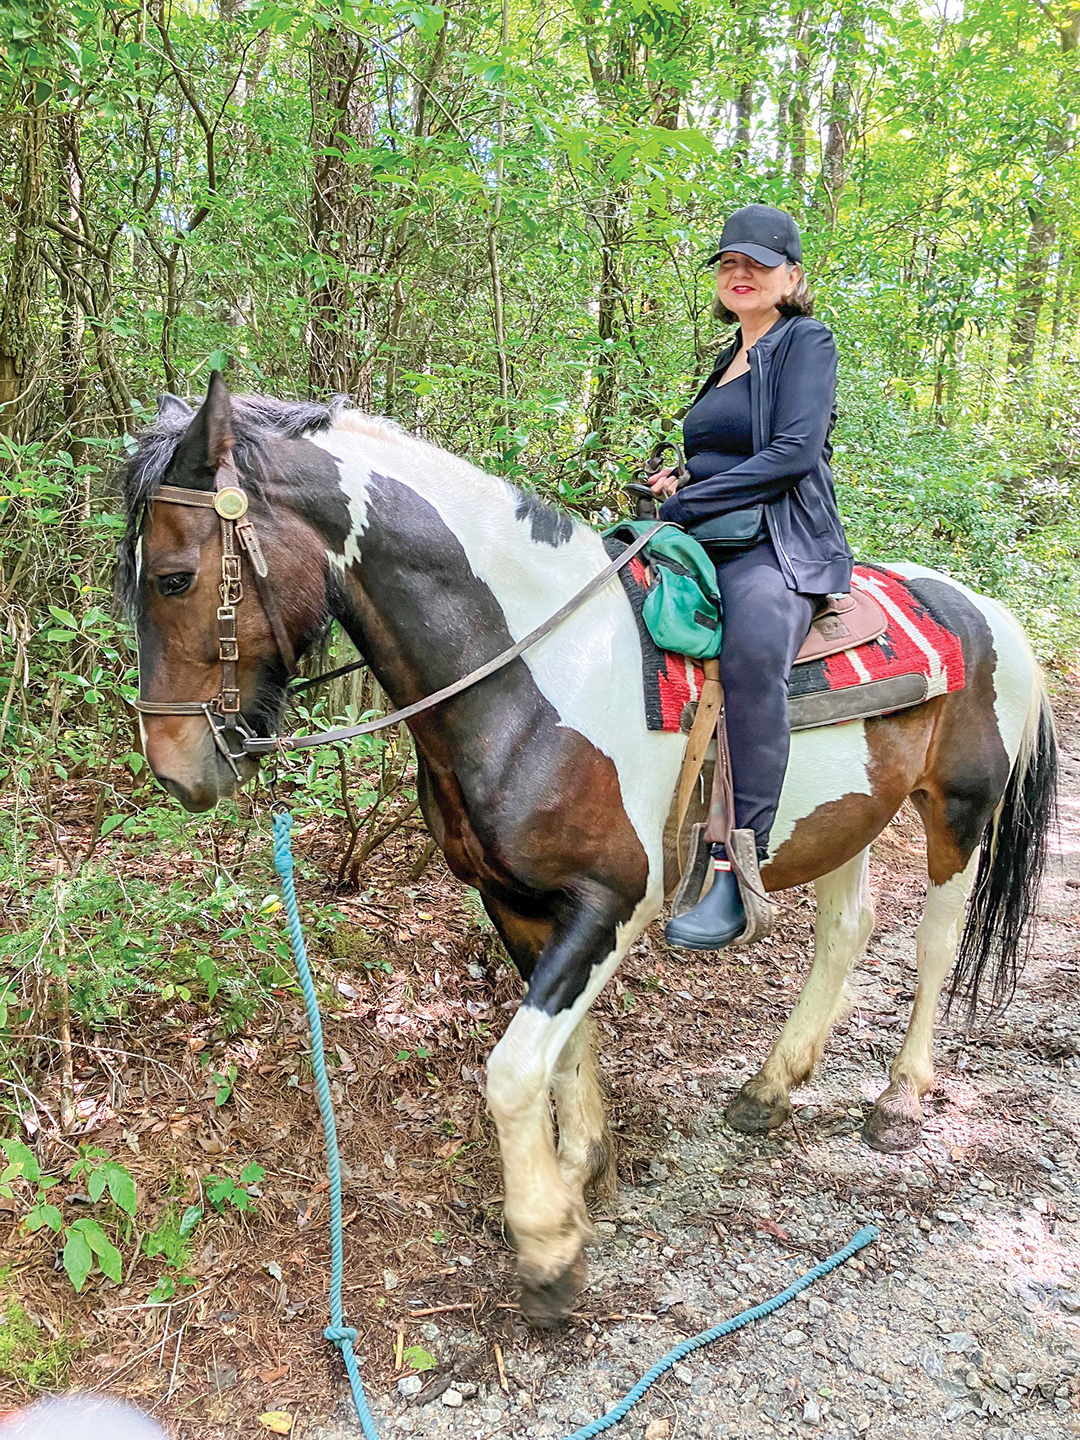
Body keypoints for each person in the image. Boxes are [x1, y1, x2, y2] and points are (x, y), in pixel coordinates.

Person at [649, 204, 853, 950]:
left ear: (791, 278)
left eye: (758, 265)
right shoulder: (728, 354)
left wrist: (694, 496)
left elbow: (794, 451)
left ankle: (738, 868)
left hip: (779, 540)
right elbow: (721, 451)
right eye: (730, 264)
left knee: (752, 656)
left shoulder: (806, 341)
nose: (740, 275)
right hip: (706, 530)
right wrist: (677, 479)